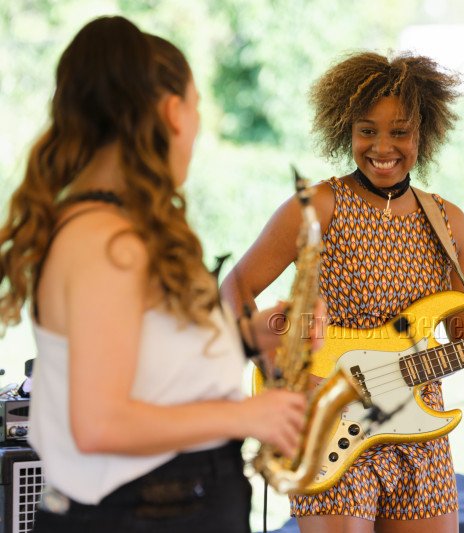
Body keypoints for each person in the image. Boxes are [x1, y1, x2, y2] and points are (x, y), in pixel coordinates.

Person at [220, 51, 464, 533]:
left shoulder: (447, 221)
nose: (383, 146)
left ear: (424, 133)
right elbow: (235, 289)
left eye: (399, 132)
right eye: (367, 130)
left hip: (420, 429)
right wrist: (280, 377)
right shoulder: (318, 206)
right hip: (331, 422)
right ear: (346, 130)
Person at [0, 16, 308, 533]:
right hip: (140, 514)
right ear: (172, 113)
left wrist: (251, 337)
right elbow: (99, 424)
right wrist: (247, 417)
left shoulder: (120, 229)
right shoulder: (104, 242)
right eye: (197, 108)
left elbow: (143, 361)